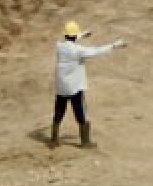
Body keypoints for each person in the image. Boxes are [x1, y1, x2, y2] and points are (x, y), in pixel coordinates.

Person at [50, 21, 126, 149]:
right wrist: (114, 45)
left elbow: (70, 41)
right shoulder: (79, 50)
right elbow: (96, 51)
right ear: (74, 36)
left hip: (61, 87)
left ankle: (54, 139)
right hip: (74, 87)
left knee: (59, 111)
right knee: (80, 112)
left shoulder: (59, 46)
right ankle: (85, 142)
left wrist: (82, 35)